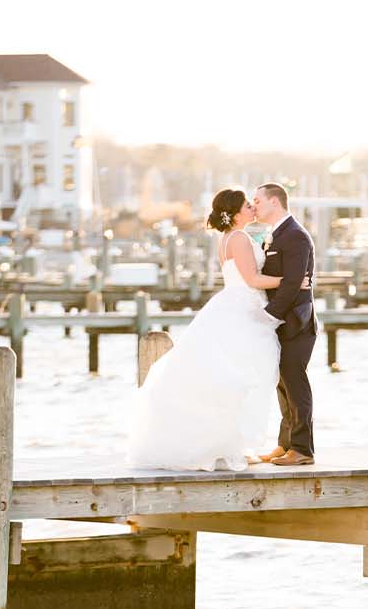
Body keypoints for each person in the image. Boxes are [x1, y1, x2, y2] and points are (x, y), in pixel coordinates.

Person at [125, 188, 309, 471]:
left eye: (254, 203)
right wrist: (292, 281)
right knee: (240, 378)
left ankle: (236, 443)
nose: (253, 208)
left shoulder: (227, 238)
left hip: (232, 306)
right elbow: (253, 279)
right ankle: (232, 444)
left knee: (230, 378)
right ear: (236, 213)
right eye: (248, 205)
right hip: (244, 308)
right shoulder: (240, 238)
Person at [252, 183, 317, 466]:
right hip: (282, 322)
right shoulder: (276, 234)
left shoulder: (295, 236)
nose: (254, 206)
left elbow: (292, 284)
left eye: (257, 200)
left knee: (295, 382)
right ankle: (285, 443)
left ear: (275, 202)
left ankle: (303, 450)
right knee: (283, 384)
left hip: (296, 322)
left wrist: (269, 315)